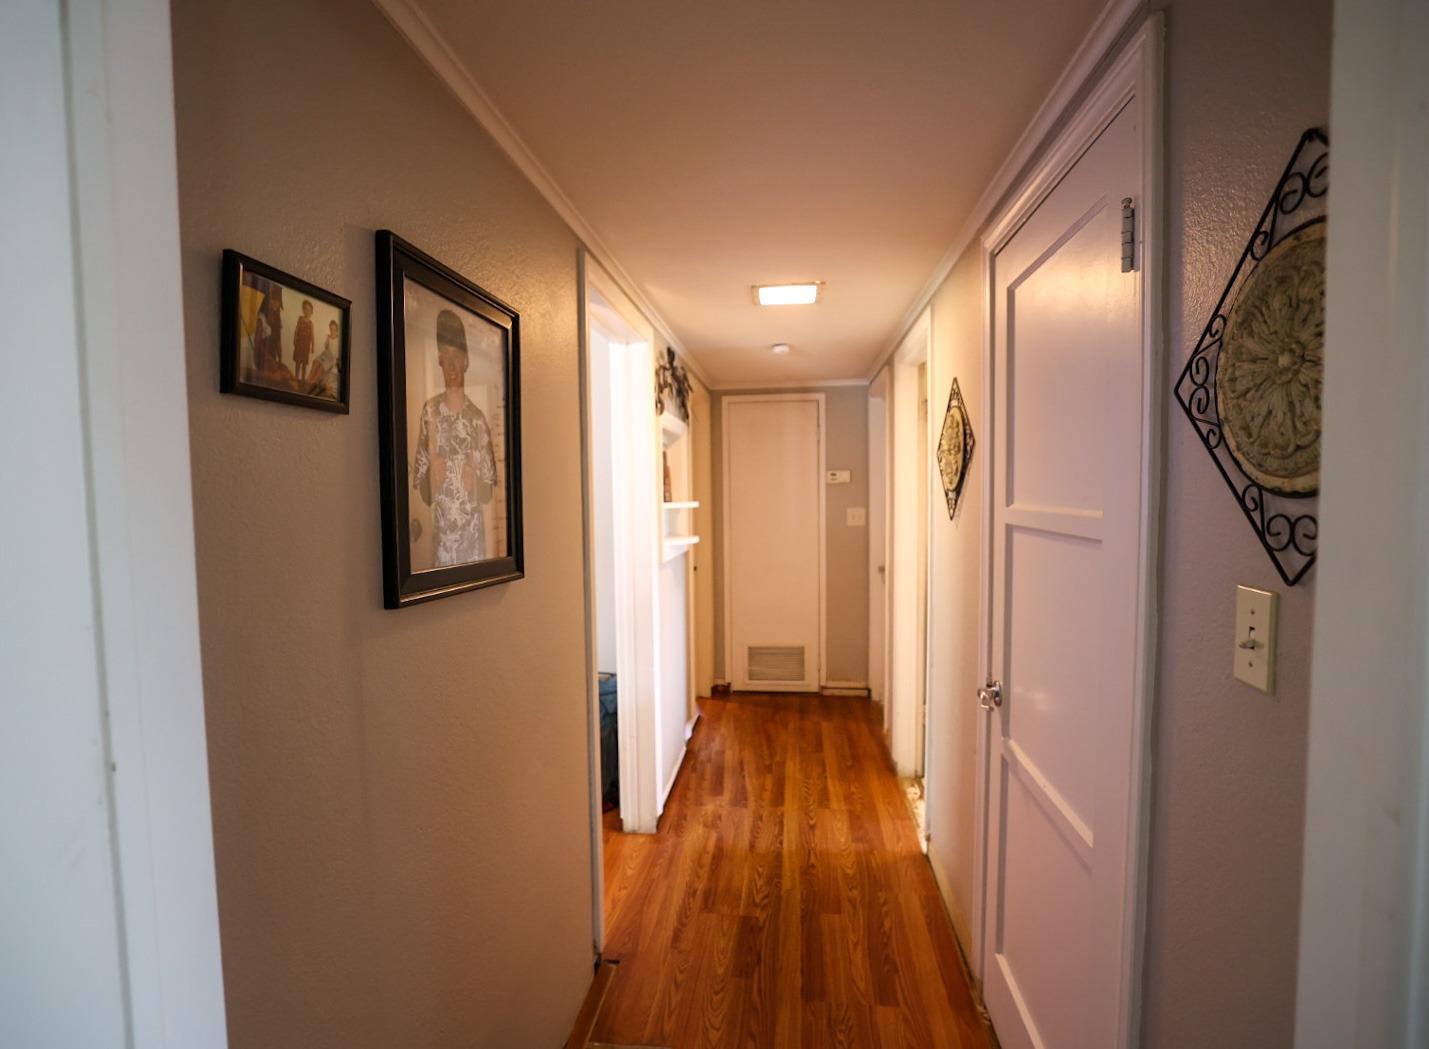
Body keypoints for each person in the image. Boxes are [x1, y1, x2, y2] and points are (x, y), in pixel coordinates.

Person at [410, 309, 497, 567]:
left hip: (474, 549)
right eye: (445, 356)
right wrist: (432, 476)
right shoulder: (429, 413)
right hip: (442, 551)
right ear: (439, 360)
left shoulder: (478, 420)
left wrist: (475, 480)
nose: (451, 365)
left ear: (466, 361)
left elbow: (487, 493)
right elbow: (424, 495)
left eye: (457, 357)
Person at [307, 318, 341, 399]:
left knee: (321, 367)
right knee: (316, 361)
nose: (332, 331)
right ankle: (309, 379)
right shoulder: (329, 337)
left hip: (332, 358)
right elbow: (326, 347)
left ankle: (314, 381)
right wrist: (327, 339)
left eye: (334, 329)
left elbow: (337, 354)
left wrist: (336, 361)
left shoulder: (339, 339)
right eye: (331, 329)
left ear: (337, 329)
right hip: (326, 354)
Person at [292, 300, 315, 383]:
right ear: (303, 310)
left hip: (306, 345)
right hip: (299, 344)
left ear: (311, 312)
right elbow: (296, 330)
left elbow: (312, 336)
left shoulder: (311, 323)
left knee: (304, 363)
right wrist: (295, 338)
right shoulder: (300, 319)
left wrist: (313, 346)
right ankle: (296, 377)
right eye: (305, 309)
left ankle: (302, 380)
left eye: (309, 310)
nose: (307, 311)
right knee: (298, 362)